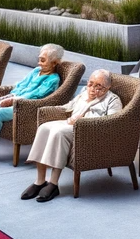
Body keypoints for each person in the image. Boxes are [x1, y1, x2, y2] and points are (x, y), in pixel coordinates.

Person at [22, 69, 123, 202]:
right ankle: (40, 181)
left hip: (88, 131)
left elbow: (112, 122)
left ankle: (53, 184)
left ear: (108, 87)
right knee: (43, 128)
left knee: (59, 133)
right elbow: (69, 106)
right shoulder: (83, 93)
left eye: (98, 86)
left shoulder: (112, 100)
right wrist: (52, 110)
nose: (92, 89)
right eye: (90, 84)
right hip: (69, 123)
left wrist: (82, 121)